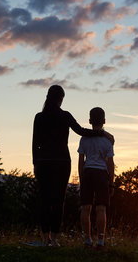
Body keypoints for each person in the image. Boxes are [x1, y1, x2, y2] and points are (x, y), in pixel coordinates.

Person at [32, 85, 114, 247]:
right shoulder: (65, 116)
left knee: (44, 200)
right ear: (61, 99)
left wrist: (36, 163)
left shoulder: (39, 117)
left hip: (43, 162)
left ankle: (45, 238)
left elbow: (35, 143)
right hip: (62, 162)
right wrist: (102, 133)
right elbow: (81, 131)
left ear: (48, 97)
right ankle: (54, 240)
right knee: (58, 200)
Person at [78, 107, 115, 250]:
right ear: (104, 121)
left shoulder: (84, 138)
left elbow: (81, 160)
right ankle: (100, 241)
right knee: (101, 209)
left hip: (87, 173)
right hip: (101, 174)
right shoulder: (107, 141)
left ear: (89, 121)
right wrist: (111, 182)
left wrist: (81, 178)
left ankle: (87, 240)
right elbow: (110, 164)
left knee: (85, 207)